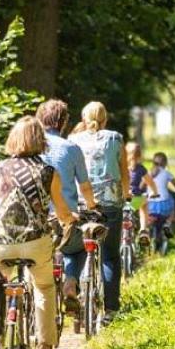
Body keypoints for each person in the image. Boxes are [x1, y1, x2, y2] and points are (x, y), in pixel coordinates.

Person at [0, 116, 75, 349]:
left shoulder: (0, 168)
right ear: (40, 141)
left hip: (0, 244)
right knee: (44, 287)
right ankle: (45, 344)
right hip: (35, 243)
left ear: (13, 140)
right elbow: (62, 212)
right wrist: (69, 220)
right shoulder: (49, 172)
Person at [68, 102, 130, 325]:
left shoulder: (74, 140)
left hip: (82, 205)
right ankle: (111, 310)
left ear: (84, 119)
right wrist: (126, 193)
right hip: (110, 204)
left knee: (77, 250)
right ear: (106, 119)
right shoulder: (115, 139)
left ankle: (73, 291)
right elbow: (124, 172)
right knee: (111, 256)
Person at [36, 99, 98, 312]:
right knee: (77, 249)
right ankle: (70, 284)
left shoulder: (29, 147)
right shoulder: (72, 148)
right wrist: (92, 206)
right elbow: (85, 187)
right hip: (65, 221)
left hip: (36, 223)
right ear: (63, 122)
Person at [148, 152, 175, 237]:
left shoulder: (148, 173)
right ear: (165, 163)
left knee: (147, 217)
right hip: (164, 205)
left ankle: (147, 231)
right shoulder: (167, 173)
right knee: (172, 207)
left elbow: (142, 186)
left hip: (150, 205)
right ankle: (167, 223)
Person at [125, 142, 158, 240]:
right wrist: (155, 192)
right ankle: (143, 229)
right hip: (134, 201)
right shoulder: (140, 168)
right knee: (145, 203)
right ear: (139, 155)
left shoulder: (121, 167)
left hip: (121, 200)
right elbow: (150, 182)